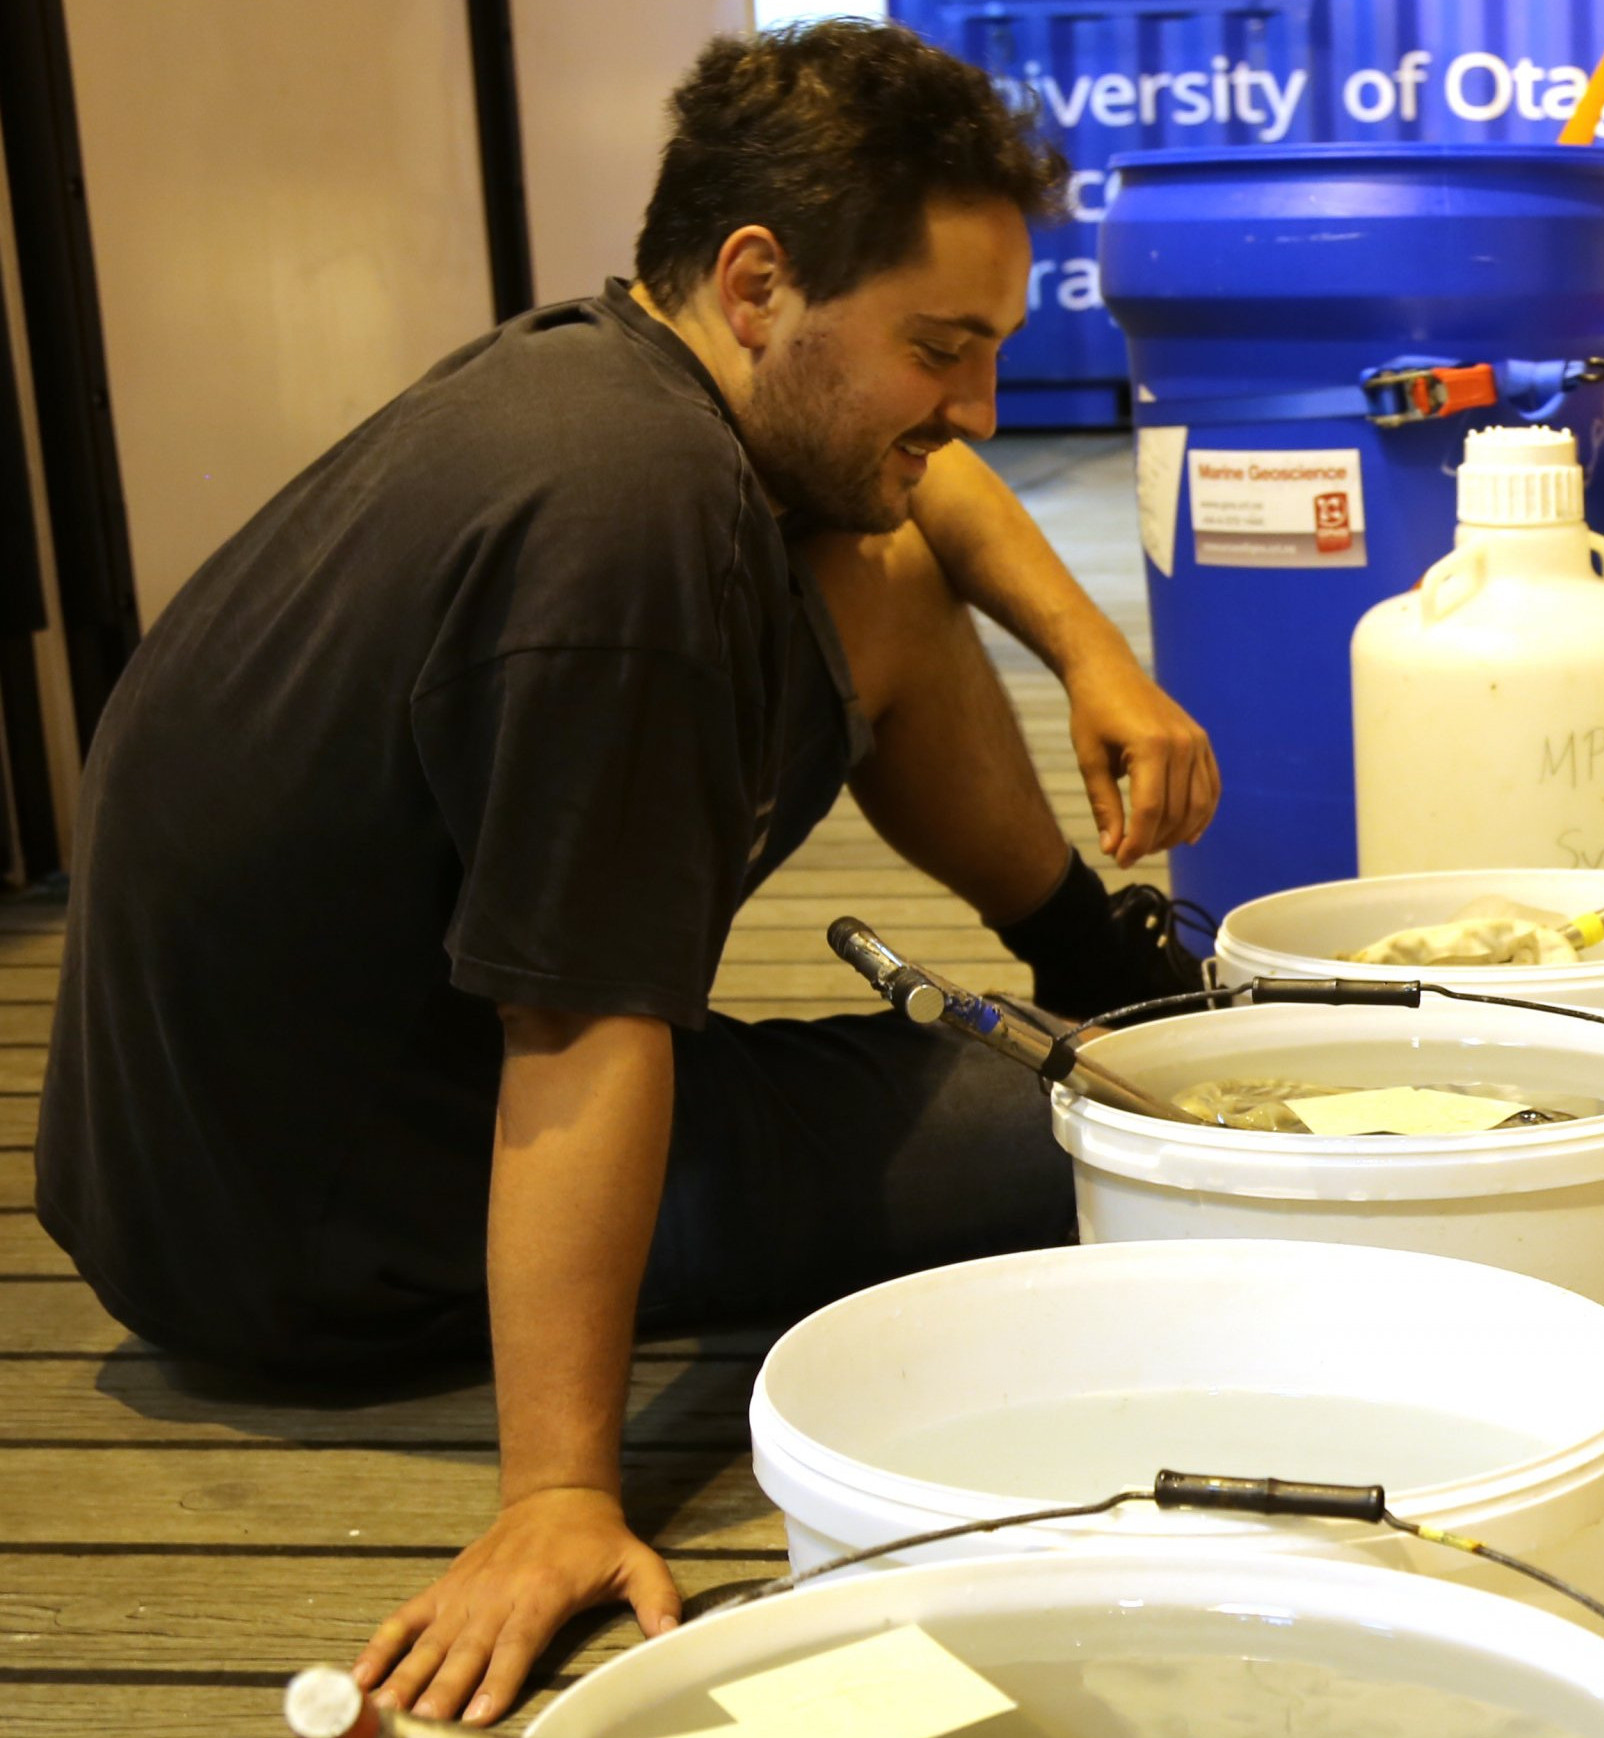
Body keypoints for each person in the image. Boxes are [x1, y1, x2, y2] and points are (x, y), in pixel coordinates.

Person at [33, 18, 1219, 1726]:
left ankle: (1091, 956)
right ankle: (1111, 1036)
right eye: (941, 348)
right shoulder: (628, 536)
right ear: (757, 283)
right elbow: (580, 1039)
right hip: (310, 1227)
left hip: (204, 1141)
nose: (977, 409)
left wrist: (1096, 659)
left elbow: (924, 499)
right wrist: (557, 1500)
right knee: (1074, 1126)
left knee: (873, 558)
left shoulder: (606, 372)